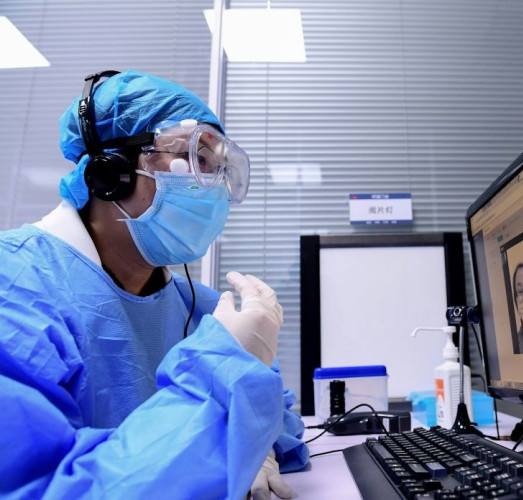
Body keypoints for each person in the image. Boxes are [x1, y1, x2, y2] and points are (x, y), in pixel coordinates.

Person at [0, 70, 308, 499]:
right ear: (111, 172)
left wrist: (257, 445)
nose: (212, 184)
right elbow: (39, 487)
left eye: (218, 166)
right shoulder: (13, 288)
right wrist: (220, 414)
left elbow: (280, 422)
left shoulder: (199, 309)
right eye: (194, 157)